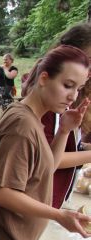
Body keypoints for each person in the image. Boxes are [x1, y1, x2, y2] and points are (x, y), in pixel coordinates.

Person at [0, 45, 91, 240]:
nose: (73, 96)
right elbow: (2, 193)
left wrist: (64, 131)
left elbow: (45, 169)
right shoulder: (22, 126)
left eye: (78, 89)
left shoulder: (32, 119)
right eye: (67, 85)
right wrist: (58, 215)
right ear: (43, 78)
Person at [37, 23, 91, 208]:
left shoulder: (63, 99)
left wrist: (83, 147)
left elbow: (63, 146)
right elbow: (50, 161)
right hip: (40, 202)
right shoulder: (51, 103)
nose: (74, 95)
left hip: (50, 202)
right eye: (88, 59)